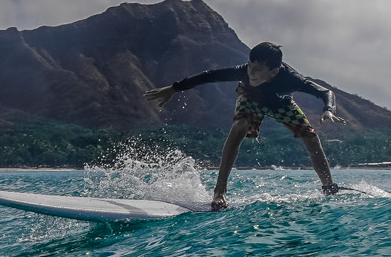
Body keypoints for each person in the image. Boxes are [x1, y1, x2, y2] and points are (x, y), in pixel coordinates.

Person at [144, 42, 346, 208]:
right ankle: (219, 192)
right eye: (250, 65)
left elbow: (326, 92)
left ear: (274, 71)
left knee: (311, 138)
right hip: (250, 97)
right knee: (240, 126)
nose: (251, 72)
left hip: (281, 104)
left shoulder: (292, 79)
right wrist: (174, 88)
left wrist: (328, 109)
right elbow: (209, 75)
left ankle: (328, 187)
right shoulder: (244, 74)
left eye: (258, 70)